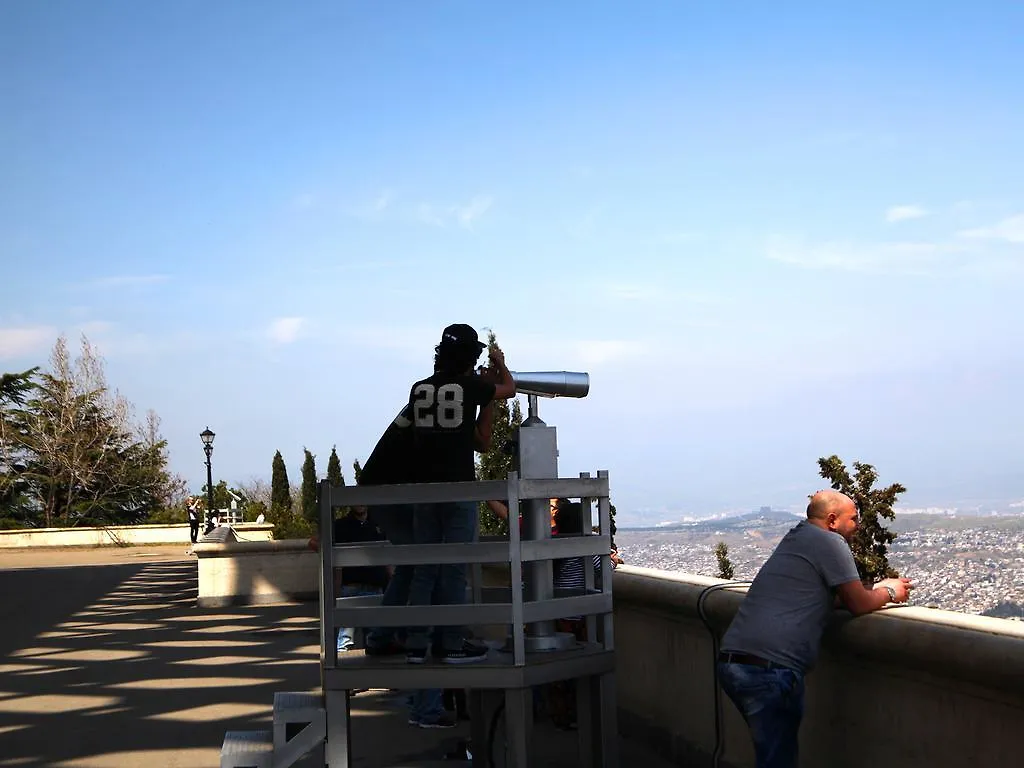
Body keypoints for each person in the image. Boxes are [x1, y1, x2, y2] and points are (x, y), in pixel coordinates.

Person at [717, 490, 916, 768]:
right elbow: (857, 603)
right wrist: (889, 591)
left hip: (735, 662)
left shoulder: (798, 537)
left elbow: (820, 595)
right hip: (770, 671)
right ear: (833, 520)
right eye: (853, 519)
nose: (857, 526)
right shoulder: (829, 541)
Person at [403, 324, 516, 665]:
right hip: (458, 488)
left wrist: (484, 393)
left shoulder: (419, 389)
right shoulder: (471, 387)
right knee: (453, 568)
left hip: (424, 491)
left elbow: (476, 439)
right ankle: (452, 641)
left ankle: (416, 643)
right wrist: (499, 366)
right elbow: (508, 389)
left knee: (424, 569)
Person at [333, 505, 389, 653]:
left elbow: (388, 555)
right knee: (345, 637)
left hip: (374, 583)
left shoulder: (379, 524)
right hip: (352, 584)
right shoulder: (341, 525)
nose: (360, 504)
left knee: (373, 634)